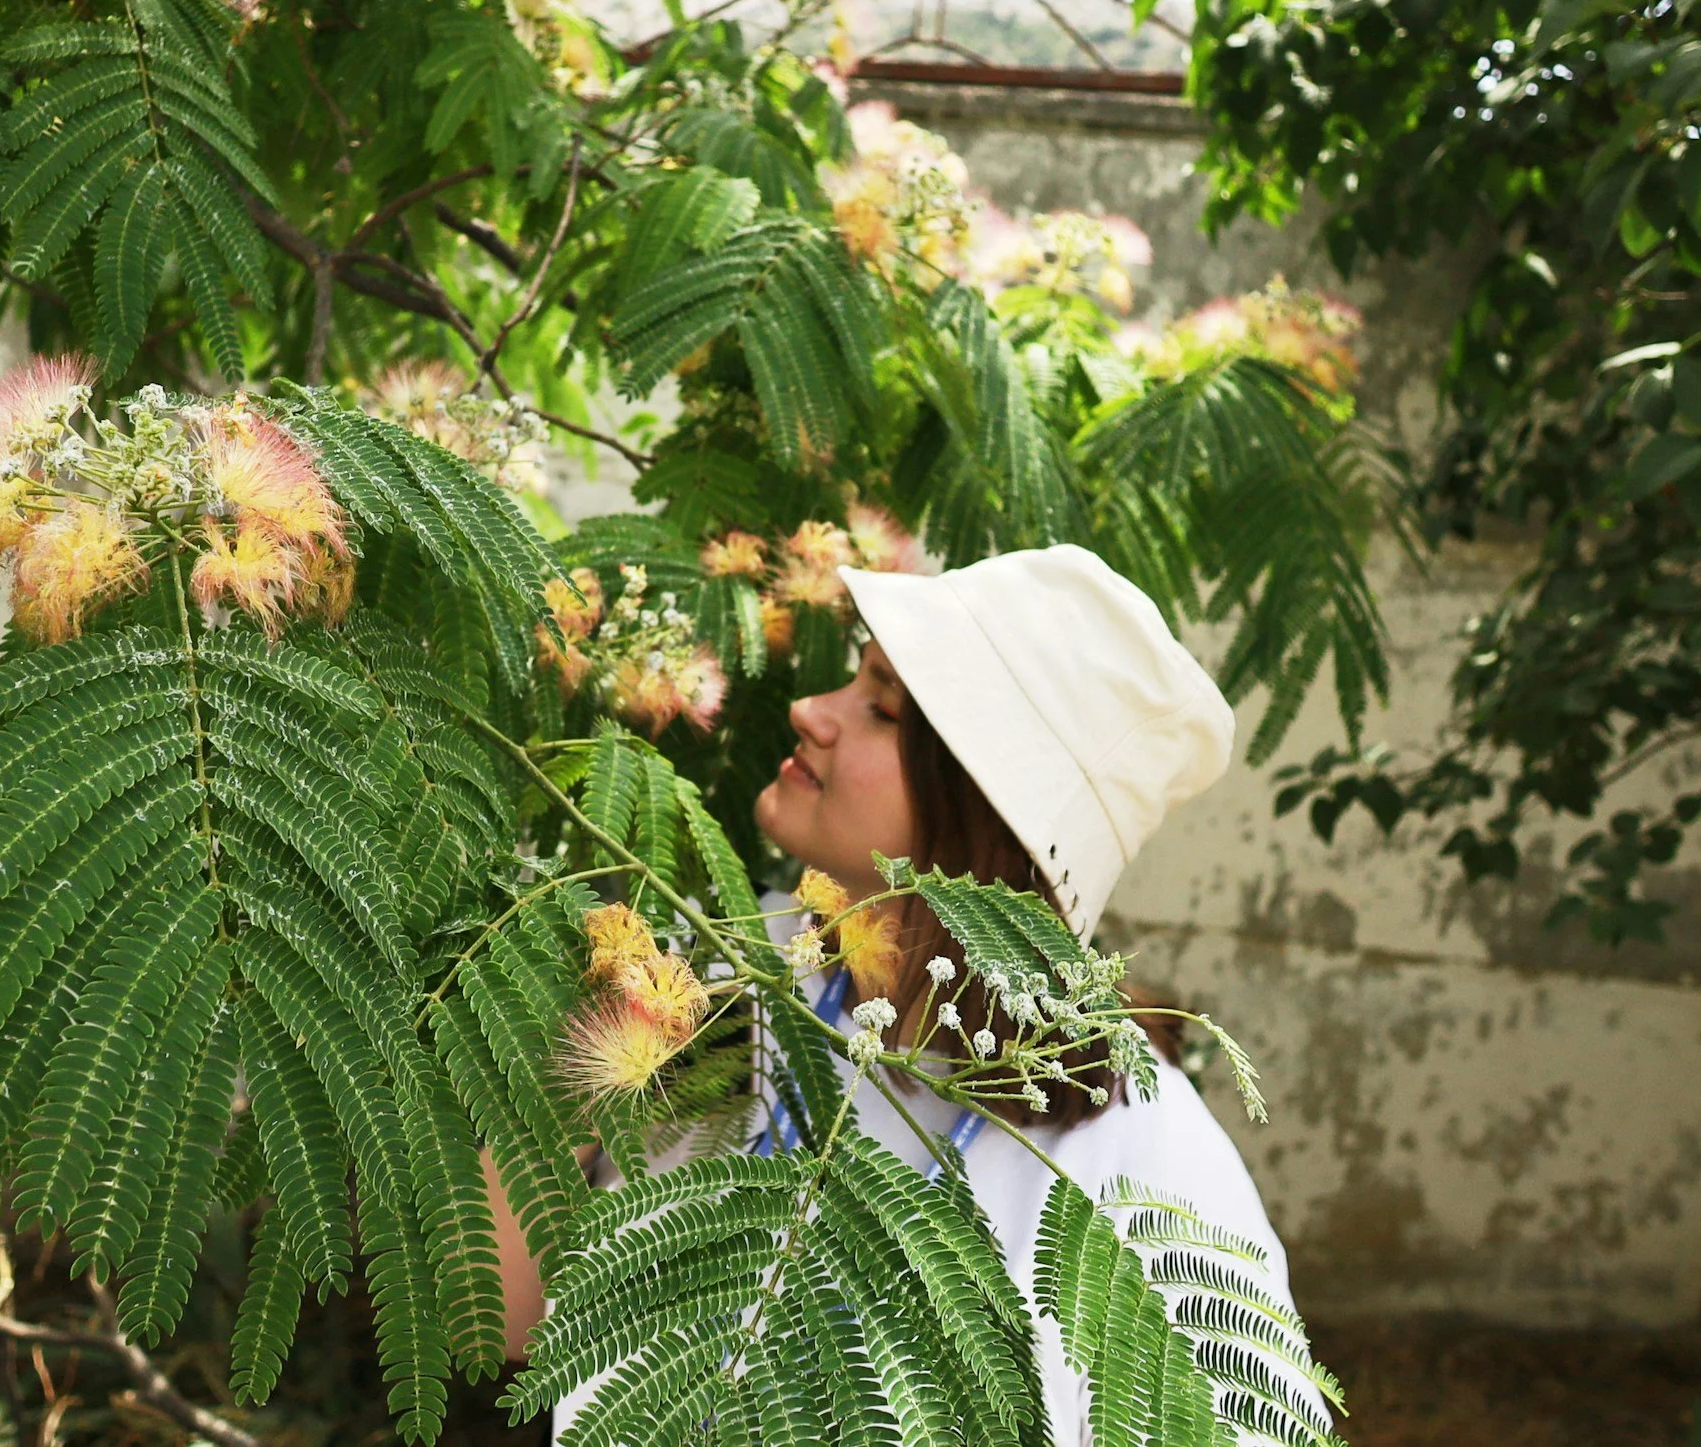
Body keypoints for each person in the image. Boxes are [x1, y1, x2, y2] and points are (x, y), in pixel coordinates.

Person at [494, 543, 1325, 1445]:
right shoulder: (721, 977)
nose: (810, 710)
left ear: (980, 822)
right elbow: (503, 1315)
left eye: (883, 708)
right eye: (856, 677)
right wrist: (578, 1066)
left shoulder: (1154, 1175)